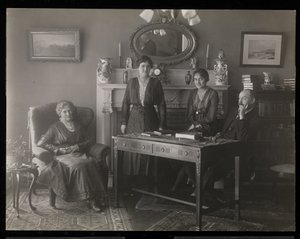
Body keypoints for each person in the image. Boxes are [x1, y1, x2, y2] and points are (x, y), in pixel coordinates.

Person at [36, 100, 108, 212]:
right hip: (62, 156)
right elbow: (41, 143)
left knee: (90, 162)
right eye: (65, 112)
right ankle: (91, 199)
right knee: (79, 165)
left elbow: (90, 140)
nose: (68, 114)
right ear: (60, 113)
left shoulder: (78, 125)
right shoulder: (55, 127)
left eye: (70, 111)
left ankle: (98, 196)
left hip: (77, 153)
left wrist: (77, 147)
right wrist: (57, 149)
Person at [120, 55, 166, 187]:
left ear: (151, 68)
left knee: (150, 148)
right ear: (138, 68)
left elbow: (162, 104)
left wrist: (162, 125)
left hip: (151, 118)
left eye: (147, 66)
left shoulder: (156, 83)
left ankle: (148, 183)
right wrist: (124, 122)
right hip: (133, 119)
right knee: (133, 148)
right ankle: (131, 182)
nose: (145, 68)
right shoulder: (132, 82)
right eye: (142, 66)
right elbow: (125, 103)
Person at [171, 68, 219, 192]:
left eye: (201, 79)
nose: (198, 82)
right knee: (182, 151)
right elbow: (189, 115)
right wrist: (193, 124)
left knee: (188, 155)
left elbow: (211, 117)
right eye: (195, 79)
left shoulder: (213, 94)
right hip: (194, 127)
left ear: (207, 79)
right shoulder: (192, 93)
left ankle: (193, 188)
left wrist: (197, 125)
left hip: (207, 128)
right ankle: (190, 186)